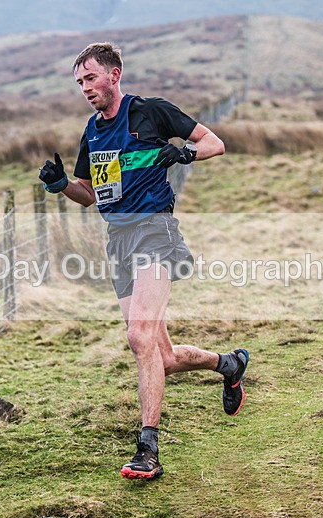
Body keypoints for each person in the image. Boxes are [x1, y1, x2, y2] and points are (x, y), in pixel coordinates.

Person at [38, 42, 249, 480]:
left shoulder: (151, 112)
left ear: (114, 75)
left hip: (155, 230)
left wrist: (183, 153)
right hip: (118, 241)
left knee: (138, 335)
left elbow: (215, 143)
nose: (85, 88)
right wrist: (61, 185)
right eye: (79, 82)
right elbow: (90, 194)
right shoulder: (93, 131)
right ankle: (228, 364)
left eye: (90, 78)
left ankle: (147, 448)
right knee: (162, 356)